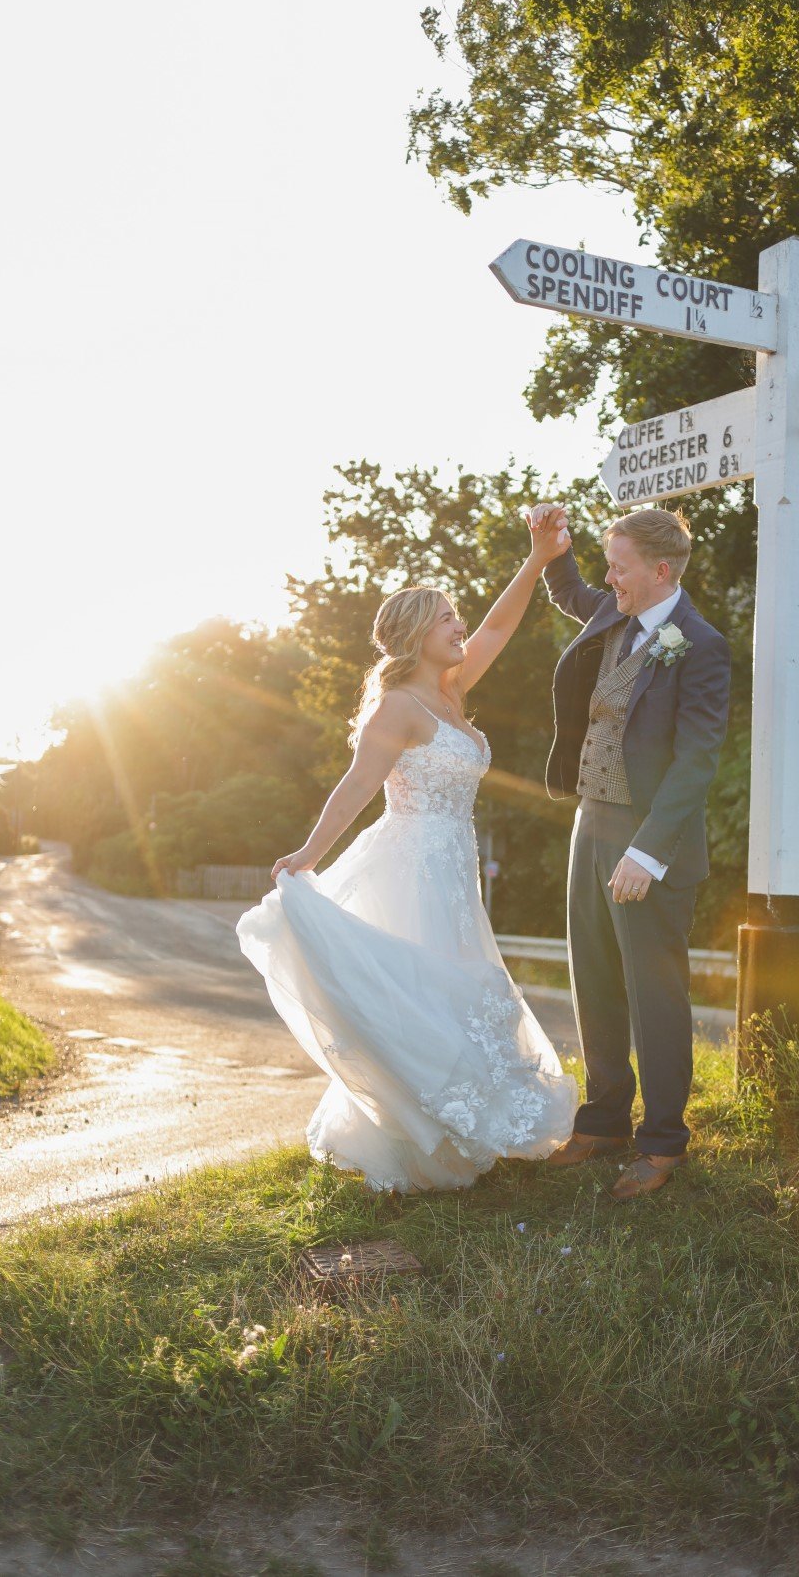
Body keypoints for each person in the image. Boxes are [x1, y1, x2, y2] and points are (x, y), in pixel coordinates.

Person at [236, 515, 578, 1192]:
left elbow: (500, 629)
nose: (460, 628)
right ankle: (427, 1137)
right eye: (449, 620)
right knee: (426, 994)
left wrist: (538, 559)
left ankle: (468, 1125)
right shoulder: (396, 706)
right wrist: (306, 853)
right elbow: (358, 785)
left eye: (457, 620)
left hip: (454, 866)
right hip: (411, 864)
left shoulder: (450, 690)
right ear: (419, 634)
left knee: (459, 989)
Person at [528, 503, 731, 1200]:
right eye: (609, 565)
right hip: (592, 822)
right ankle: (605, 1119)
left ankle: (664, 1142)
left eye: (620, 566)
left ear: (661, 570)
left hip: (651, 843)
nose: (609, 577)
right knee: (595, 984)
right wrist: (554, 551)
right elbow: (572, 590)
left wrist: (647, 853)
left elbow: (699, 761)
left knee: (655, 994)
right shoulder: (614, 612)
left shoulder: (699, 645)